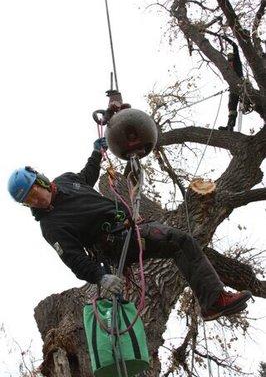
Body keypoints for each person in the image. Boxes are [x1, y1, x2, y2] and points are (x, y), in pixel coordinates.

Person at [8, 137, 252, 321]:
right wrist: (100, 277)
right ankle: (215, 300)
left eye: (33, 193)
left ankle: (211, 301)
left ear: (40, 180)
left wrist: (97, 152)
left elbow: (87, 175)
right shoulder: (51, 226)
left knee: (181, 244)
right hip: (115, 241)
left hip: (129, 225)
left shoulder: (65, 181)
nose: (35, 200)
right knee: (178, 240)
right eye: (28, 200)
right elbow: (74, 259)